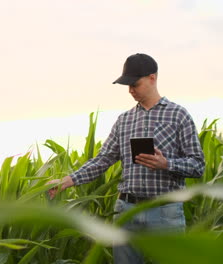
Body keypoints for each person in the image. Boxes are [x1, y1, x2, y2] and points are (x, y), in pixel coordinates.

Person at [47, 53, 205, 264]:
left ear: (152, 78)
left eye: (135, 84)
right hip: (126, 212)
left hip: (166, 213)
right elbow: (103, 159)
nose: (130, 90)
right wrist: (66, 181)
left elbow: (198, 165)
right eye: (127, 85)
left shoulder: (179, 115)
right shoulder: (124, 120)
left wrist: (166, 164)